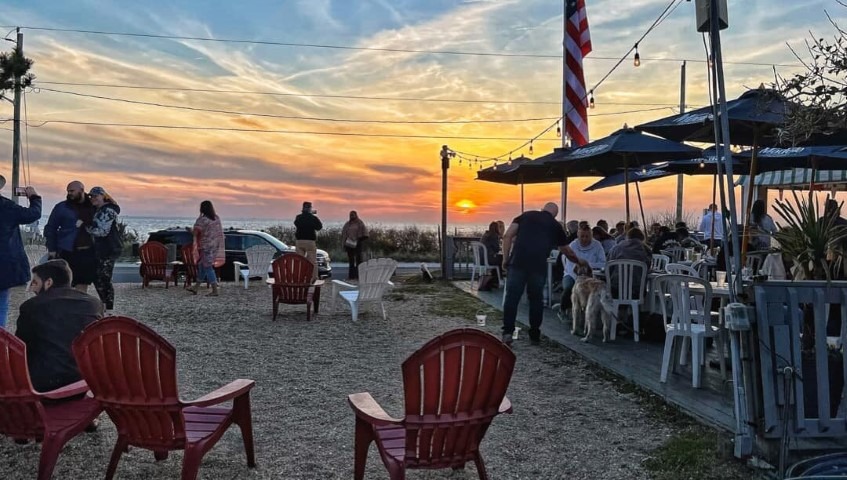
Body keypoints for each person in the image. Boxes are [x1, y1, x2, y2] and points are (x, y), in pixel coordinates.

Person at [501, 202, 587, 346]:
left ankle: (507, 333)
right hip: (538, 266)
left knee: (512, 298)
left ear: (542, 209)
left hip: (518, 263)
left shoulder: (525, 216)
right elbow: (567, 251)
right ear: (555, 215)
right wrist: (578, 261)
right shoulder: (555, 226)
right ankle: (534, 334)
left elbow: (507, 236)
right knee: (536, 300)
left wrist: (505, 258)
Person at [15, 259, 102, 392]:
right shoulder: (94, 304)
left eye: (35, 283)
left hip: (43, 383)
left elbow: (20, 347)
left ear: (48, 282)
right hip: (83, 380)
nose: (33, 288)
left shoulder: (31, 306)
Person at [0, 176, 41, 329]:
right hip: (3, 262)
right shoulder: (6, 206)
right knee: (1, 301)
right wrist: (34, 197)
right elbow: (33, 214)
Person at [44, 181, 97, 293]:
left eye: (72, 191)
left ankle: (79, 303)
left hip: (87, 251)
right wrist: (52, 249)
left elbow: (110, 209)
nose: (69, 193)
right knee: (64, 283)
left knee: (82, 284)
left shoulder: (93, 206)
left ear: (81, 190)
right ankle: (66, 303)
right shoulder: (62, 207)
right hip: (66, 250)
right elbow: (50, 228)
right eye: (68, 191)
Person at [83, 186, 122, 314]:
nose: (93, 198)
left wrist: (84, 226)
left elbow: (102, 231)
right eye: (91, 196)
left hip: (109, 249)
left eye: (96, 196)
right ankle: (104, 305)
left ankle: (109, 309)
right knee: (98, 278)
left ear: (103, 196)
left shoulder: (108, 210)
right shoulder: (98, 210)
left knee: (104, 279)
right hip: (101, 249)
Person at [560, 225, 607, 314]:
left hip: (592, 275)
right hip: (572, 275)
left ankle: (594, 311)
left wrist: (587, 265)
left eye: (587, 236)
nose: (584, 239)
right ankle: (563, 310)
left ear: (591, 236)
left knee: (600, 288)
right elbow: (570, 266)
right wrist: (579, 278)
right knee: (569, 287)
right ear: (578, 236)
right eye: (582, 236)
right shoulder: (573, 245)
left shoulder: (597, 245)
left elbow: (603, 263)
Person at [188, 200, 224, 296]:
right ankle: (196, 287)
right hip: (214, 246)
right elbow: (218, 233)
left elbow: (196, 233)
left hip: (205, 247)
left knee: (208, 267)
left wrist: (190, 230)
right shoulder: (216, 218)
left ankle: (215, 290)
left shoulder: (202, 220)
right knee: (202, 266)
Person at [607, 228, 652, 297]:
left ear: (627, 237)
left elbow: (608, 267)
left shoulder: (616, 248)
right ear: (642, 238)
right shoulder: (646, 250)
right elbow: (647, 269)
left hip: (615, 290)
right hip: (637, 292)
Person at [294, 201, 323, 281]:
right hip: (310, 241)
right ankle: (314, 278)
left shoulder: (298, 217)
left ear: (303, 208)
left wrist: (305, 215)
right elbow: (319, 227)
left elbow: (296, 224)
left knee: (299, 260)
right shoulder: (313, 218)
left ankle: (299, 277)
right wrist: (311, 215)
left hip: (300, 241)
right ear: (310, 208)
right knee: (312, 261)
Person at [341, 210, 368, 280]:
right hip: (349, 244)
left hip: (358, 244)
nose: (351, 216)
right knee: (351, 261)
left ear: (356, 215)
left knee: (359, 260)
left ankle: (359, 276)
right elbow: (344, 234)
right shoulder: (347, 224)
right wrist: (343, 244)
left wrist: (358, 239)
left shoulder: (360, 223)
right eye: (350, 215)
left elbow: (365, 234)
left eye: (353, 215)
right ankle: (351, 276)